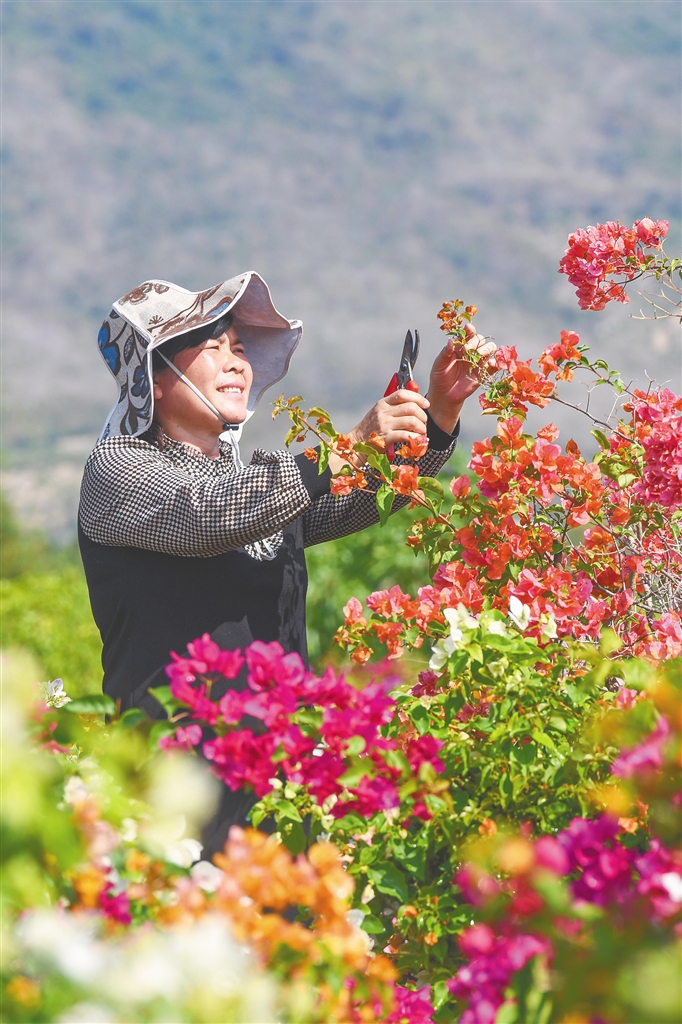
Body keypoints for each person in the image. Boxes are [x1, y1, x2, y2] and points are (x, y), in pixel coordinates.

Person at [79, 271, 494, 850]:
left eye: (240, 348)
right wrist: (348, 446)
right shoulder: (118, 469)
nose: (237, 362)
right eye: (213, 347)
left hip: (273, 779)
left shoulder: (254, 483)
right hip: (173, 787)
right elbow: (207, 514)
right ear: (155, 377)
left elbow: (357, 499)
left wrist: (440, 415)